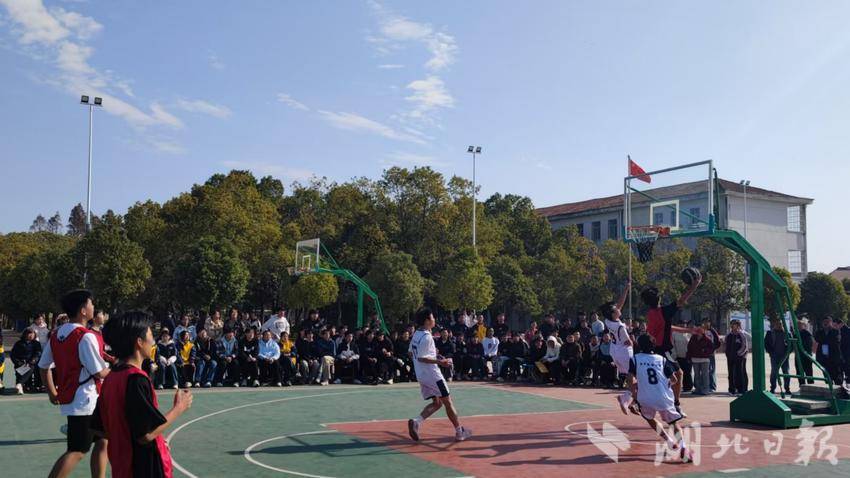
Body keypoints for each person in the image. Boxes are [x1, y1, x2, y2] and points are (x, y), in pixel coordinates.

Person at [93, 311, 193, 478]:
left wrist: (155, 439)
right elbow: (146, 434)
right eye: (150, 335)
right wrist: (179, 408)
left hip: (121, 464)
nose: (153, 341)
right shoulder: (135, 379)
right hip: (142, 467)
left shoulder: (111, 377)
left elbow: (101, 428)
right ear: (139, 342)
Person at [38, 289, 110, 478]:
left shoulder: (57, 335)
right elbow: (99, 371)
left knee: (103, 440)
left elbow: (44, 367)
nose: (94, 306)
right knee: (77, 450)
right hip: (85, 400)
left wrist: (52, 392)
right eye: (91, 303)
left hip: (78, 398)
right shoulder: (85, 336)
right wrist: (121, 369)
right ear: (83, 311)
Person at [407, 308, 472, 442]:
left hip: (421, 375)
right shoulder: (427, 337)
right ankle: (459, 432)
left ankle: (416, 422)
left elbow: (411, 353)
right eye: (432, 317)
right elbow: (422, 358)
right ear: (427, 321)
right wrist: (440, 362)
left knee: (437, 403)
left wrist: (433, 354)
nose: (434, 320)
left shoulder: (417, 334)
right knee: (448, 402)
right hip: (433, 375)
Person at [641, 272, 702, 412]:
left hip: (654, 349)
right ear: (658, 298)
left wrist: (689, 330)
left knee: (662, 377)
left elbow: (668, 327)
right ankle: (676, 404)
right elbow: (681, 300)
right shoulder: (664, 311)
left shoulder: (652, 313)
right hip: (661, 349)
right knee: (678, 374)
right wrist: (694, 285)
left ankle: (648, 399)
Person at [628, 334, 693, 463]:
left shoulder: (635, 359)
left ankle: (669, 441)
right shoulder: (661, 359)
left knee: (649, 418)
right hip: (663, 397)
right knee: (674, 424)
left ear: (639, 345)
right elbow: (674, 379)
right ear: (653, 345)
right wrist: (664, 385)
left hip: (645, 398)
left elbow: (630, 379)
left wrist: (635, 397)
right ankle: (684, 447)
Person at [600, 280, 634, 412]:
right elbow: (629, 342)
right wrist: (630, 335)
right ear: (613, 314)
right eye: (616, 310)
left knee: (632, 377)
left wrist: (626, 289)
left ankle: (631, 400)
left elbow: (619, 304)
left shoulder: (607, 320)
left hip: (614, 351)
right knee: (635, 378)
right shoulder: (620, 326)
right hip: (624, 351)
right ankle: (626, 398)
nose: (619, 309)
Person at [11, 328, 43, 394]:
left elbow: (38, 354)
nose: (31, 335)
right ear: (25, 334)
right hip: (20, 363)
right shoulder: (19, 343)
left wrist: (32, 361)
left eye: (33, 334)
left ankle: (19, 384)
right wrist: (19, 363)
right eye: (29, 333)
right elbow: (13, 355)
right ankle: (21, 385)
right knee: (22, 369)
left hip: (32, 363)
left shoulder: (36, 343)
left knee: (30, 367)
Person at [765, 320, 791, 395]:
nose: (779, 325)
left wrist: (788, 353)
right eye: (777, 324)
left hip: (784, 356)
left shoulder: (787, 334)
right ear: (774, 325)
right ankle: (772, 388)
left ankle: (787, 388)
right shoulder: (770, 333)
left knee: (786, 372)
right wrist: (770, 352)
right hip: (774, 356)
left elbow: (791, 344)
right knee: (774, 372)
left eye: (780, 324)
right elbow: (766, 343)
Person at [814, 316, 843, 385]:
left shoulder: (835, 331)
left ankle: (838, 388)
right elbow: (817, 339)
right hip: (823, 357)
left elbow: (836, 341)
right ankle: (829, 387)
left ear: (831, 322)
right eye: (824, 322)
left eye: (827, 322)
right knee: (827, 376)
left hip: (833, 358)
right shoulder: (819, 332)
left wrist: (825, 341)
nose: (825, 323)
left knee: (836, 376)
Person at [687, 326, 715, 395]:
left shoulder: (707, 339)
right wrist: (688, 357)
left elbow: (712, 348)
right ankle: (698, 389)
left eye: (700, 332)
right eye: (697, 332)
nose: (698, 334)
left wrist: (705, 351)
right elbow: (689, 348)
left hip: (705, 360)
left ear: (702, 333)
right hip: (695, 359)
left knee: (705, 375)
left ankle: (705, 389)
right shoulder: (692, 338)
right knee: (696, 375)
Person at [724, 319, 749, 395]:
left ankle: (741, 390)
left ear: (738, 325)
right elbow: (725, 345)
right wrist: (727, 354)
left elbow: (744, 346)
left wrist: (739, 354)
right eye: (731, 324)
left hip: (740, 358)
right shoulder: (729, 335)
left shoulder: (741, 334)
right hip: (730, 357)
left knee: (740, 373)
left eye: (734, 324)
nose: (732, 325)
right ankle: (731, 390)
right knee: (731, 374)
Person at [796, 318, 815, 386]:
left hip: (806, 355)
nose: (798, 326)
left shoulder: (807, 333)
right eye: (797, 325)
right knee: (799, 372)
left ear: (803, 325)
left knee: (808, 372)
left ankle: (810, 386)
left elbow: (810, 344)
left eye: (800, 325)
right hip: (798, 356)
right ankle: (802, 385)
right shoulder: (796, 333)